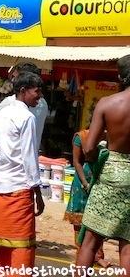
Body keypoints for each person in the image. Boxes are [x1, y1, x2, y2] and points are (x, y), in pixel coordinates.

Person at [0, 71, 45, 277]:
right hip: (20, 189)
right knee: (20, 245)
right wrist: (37, 193)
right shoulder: (27, 117)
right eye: (36, 92)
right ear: (23, 91)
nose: (38, 97)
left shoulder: (2, 112)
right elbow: (30, 158)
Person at [77, 55, 130, 273]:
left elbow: (88, 148)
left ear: (120, 76)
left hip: (109, 175)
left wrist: (96, 157)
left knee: (91, 241)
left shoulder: (107, 103)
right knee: (127, 246)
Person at [64, 127, 107, 267]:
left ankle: (98, 255)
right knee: (79, 220)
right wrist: (85, 183)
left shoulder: (108, 137)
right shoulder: (81, 137)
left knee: (97, 220)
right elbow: (76, 162)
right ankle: (81, 254)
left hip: (99, 179)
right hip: (82, 181)